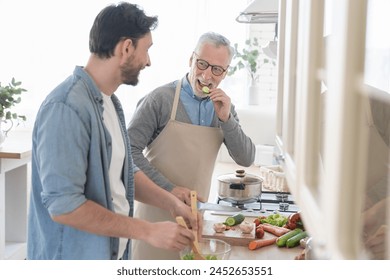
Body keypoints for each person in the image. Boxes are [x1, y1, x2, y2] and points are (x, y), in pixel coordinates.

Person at [27, 2, 198, 260]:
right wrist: (148, 231)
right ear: (126, 47)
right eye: (146, 49)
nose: (148, 62)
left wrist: (171, 202)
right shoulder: (65, 108)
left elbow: (123, 174)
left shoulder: (110, 102)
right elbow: (64, 206)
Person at [127, 32, 256, 259]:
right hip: (154, 217)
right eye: (202, 64)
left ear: (225, 73)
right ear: (191, 60)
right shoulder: (159, 100)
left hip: (195, 221)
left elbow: (246, 158)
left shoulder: (223, 108)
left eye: (217, 69)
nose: (207, 75)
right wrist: (170, 189)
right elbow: (128, 152)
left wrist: (227, 120)